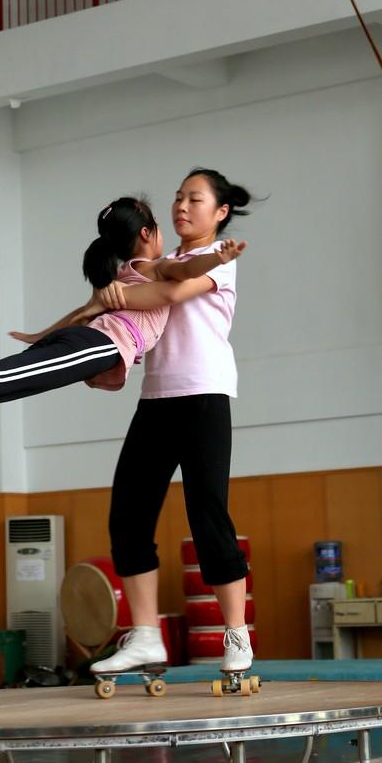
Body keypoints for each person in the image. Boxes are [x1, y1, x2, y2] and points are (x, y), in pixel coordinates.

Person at [0, 197, 246, 447]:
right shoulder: (155, 269)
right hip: (98, 346)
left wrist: (40, 337)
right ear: (146, 232)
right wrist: (219, 257)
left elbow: (81, 315)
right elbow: (186, 270)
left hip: (85, 339)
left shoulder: (122, 276)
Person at [90, 168, 254, 680]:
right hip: (156, 399)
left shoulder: (220, 258)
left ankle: (236, 633)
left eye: (195, 199)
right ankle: (145, 637)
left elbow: (170, 295)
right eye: (179, 197)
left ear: (220, 212)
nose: (182, 206)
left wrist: (113, 294)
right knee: (128, 516)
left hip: (204, 394)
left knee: (208, 516)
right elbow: (136, 300)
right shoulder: (154, 264)